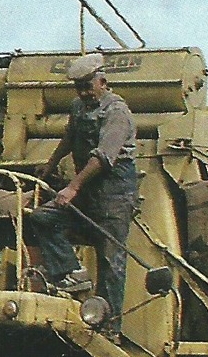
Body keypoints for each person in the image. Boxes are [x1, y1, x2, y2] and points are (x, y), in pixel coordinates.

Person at [29, 53, 141, 334]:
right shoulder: (79, 106)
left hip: (114, 194)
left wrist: (73, 186)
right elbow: (70, 137)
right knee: (42, 218)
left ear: (102, 81)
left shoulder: (117, 113)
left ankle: (108, 326)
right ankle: (71, 273)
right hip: (88, 191)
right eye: (78, 87)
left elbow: (104, 157)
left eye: (87, 86)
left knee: (111, 259)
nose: (83, 93)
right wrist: (50, 165)